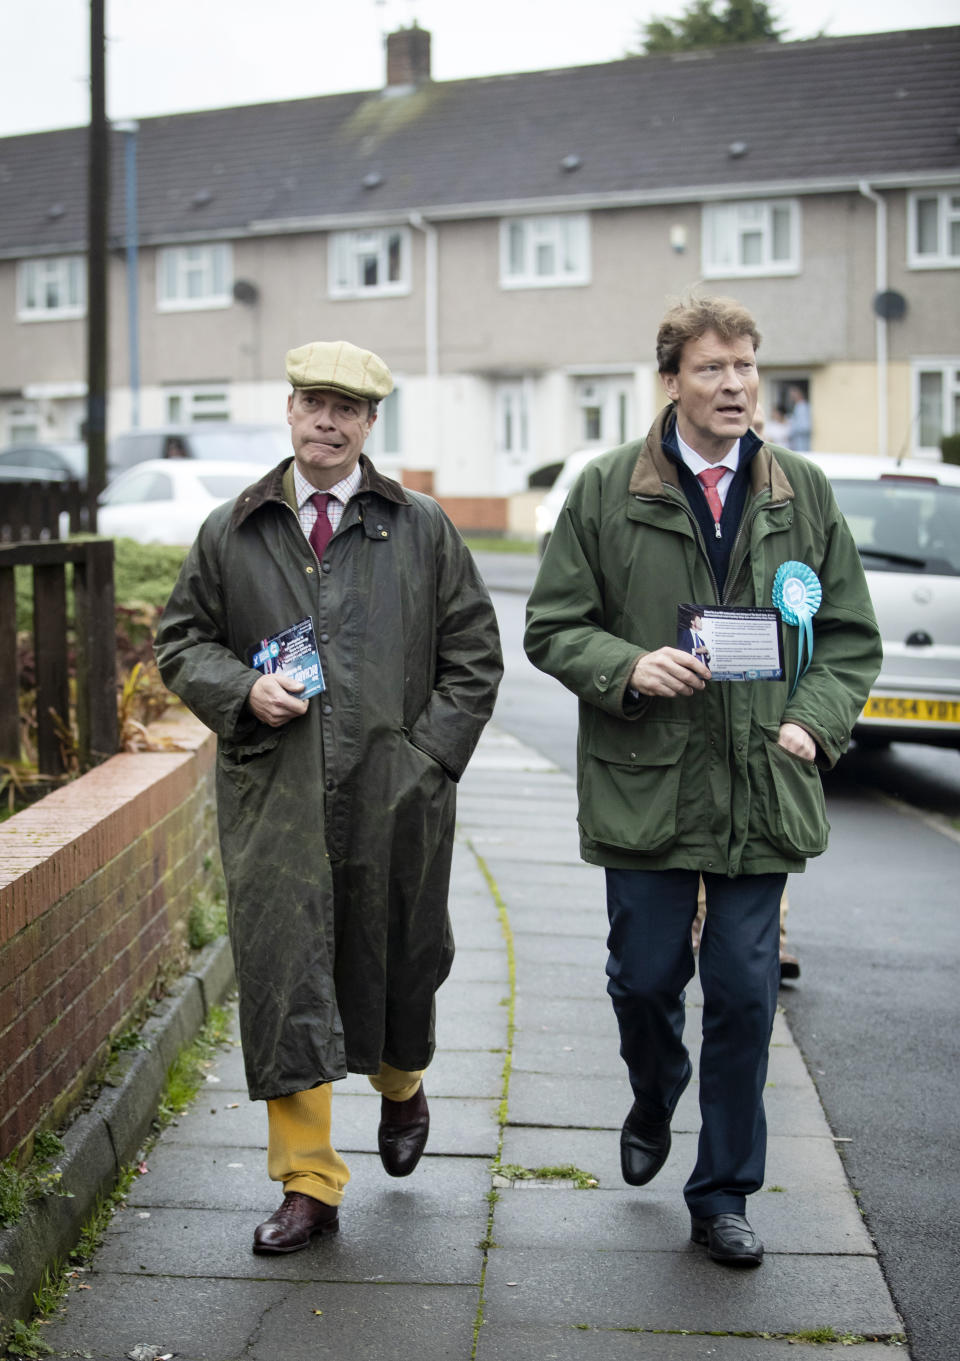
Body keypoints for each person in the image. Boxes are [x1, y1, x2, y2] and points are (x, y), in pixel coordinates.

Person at [524, 296, 880, 1268]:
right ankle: (653, 1083)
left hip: (763, 784)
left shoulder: (801, 490)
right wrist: (629, 666)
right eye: (714, 368)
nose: (735, 385)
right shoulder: (605, 490)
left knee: (745, 993)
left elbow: (847, 636)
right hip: (647, 783)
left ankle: (723, 1191)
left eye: (747, 366)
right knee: (644, 980)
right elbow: (553, 625)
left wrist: (817, 715)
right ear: (671, 379)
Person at [155, 339, 503, 1255]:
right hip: (276, 793)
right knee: (285, 971)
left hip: (398, 795)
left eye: (349, 408)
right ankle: (309, 1182)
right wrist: (240, 693)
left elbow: (474, 657)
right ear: (290, 408)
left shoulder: (421, 526)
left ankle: (401, 1081)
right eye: (315, 400)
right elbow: (183, 639)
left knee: (399, 957)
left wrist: (426, 760)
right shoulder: (236, 528)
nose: (329, 420)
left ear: (370, 424)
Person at [786, 385, 811, 452]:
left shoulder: (802, 407)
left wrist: (791, 431)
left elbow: (804, 427)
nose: (790, 396)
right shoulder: (798, 406)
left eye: (792, 394)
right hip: (798, 444)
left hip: (802, 444)